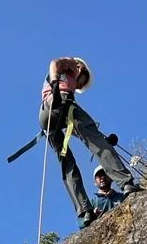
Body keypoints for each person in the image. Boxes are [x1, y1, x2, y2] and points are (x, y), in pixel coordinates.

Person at [39, 57, 141, 228]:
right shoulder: (73, 65)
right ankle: (126, 183)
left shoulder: (53, 81)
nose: (78, 86)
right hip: (62, 101)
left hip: (45, 115)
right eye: (81, 83)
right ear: (81, 70)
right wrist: (102, 141)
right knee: (98, 145)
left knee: (66, 163)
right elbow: (54, 62)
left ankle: (85, 211)